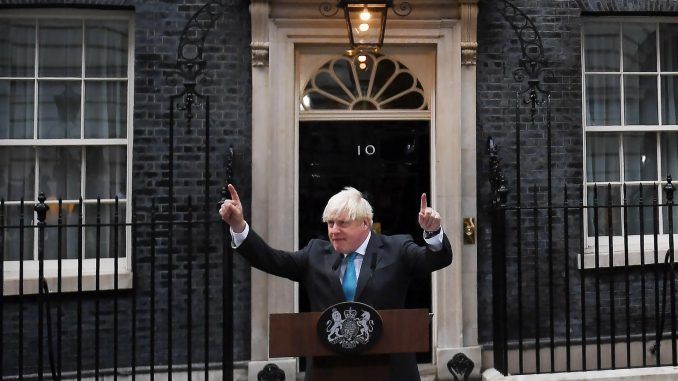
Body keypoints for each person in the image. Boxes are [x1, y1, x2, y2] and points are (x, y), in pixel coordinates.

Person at [219, 184, 453, 381]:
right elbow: (271, 260)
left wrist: (433, 234)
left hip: (390, 369)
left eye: (342, 223)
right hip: (328, 370)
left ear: (365, 223)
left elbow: (433, 260)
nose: (334, 231)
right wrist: (239, 227)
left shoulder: (397, 249)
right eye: (330, 223)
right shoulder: (315, 254)